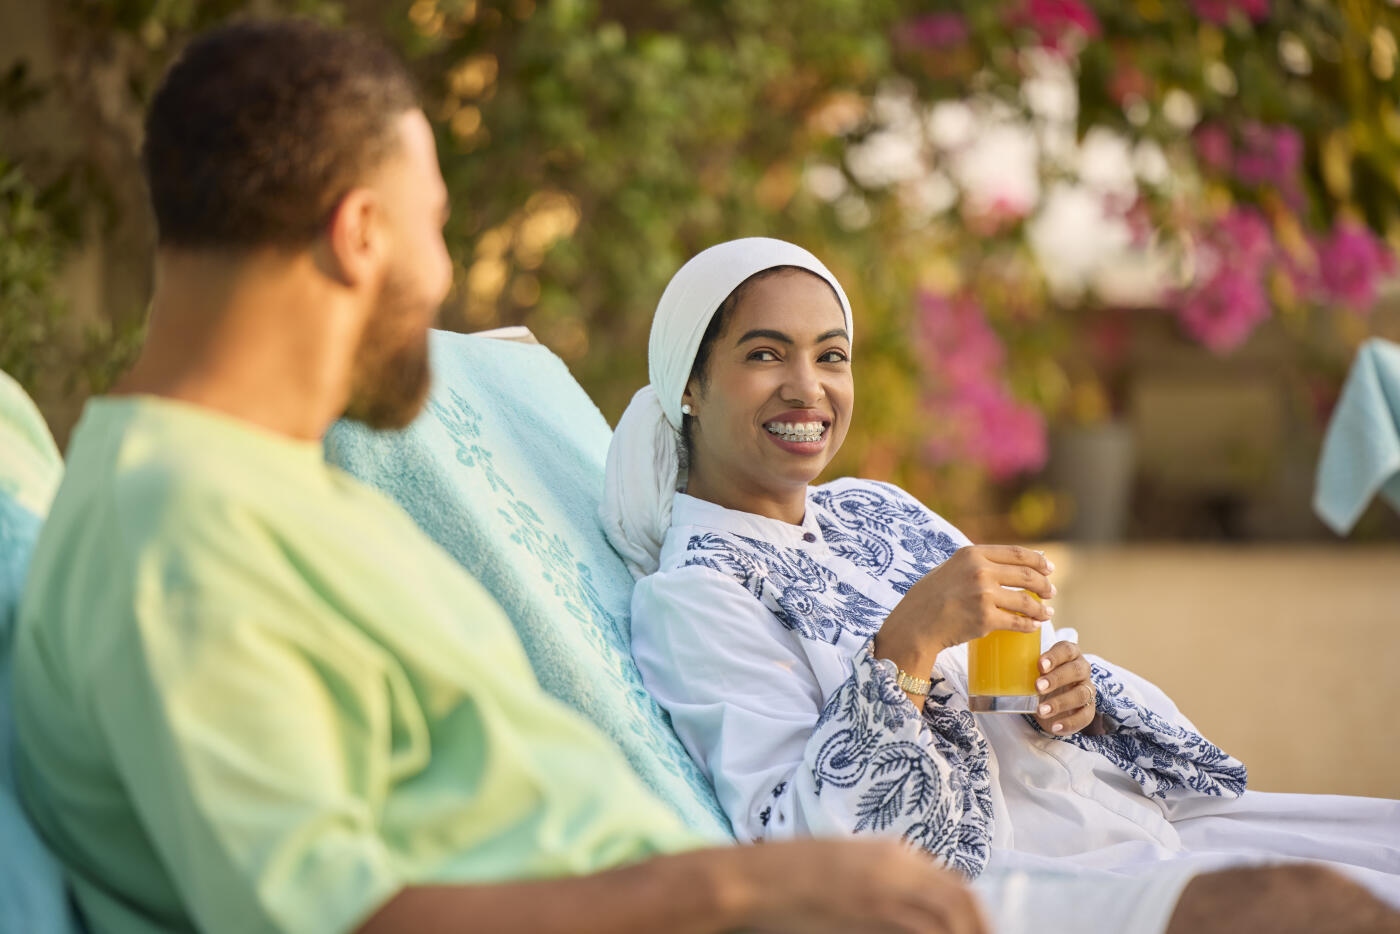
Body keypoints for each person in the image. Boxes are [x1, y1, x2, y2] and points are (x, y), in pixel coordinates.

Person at [9, 18, 1391, 934]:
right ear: (360, 233)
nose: (442, 281)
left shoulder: (258, 487)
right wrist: (753, 877)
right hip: (750, 901)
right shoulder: (175, 541)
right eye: (437, 231)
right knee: (1294, 909)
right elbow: (348, 913)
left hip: (771, 877)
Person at [602, 238, 1400, 904]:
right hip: (1019, 883)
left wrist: (1075, 699)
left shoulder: (874, 508)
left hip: (1123, 816)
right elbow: (796, 842)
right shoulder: (696, 596)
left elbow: (1012, 676)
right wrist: (907, 644)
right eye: (765, 353)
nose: (808, 387)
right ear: (691, 387)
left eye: (831, 355)